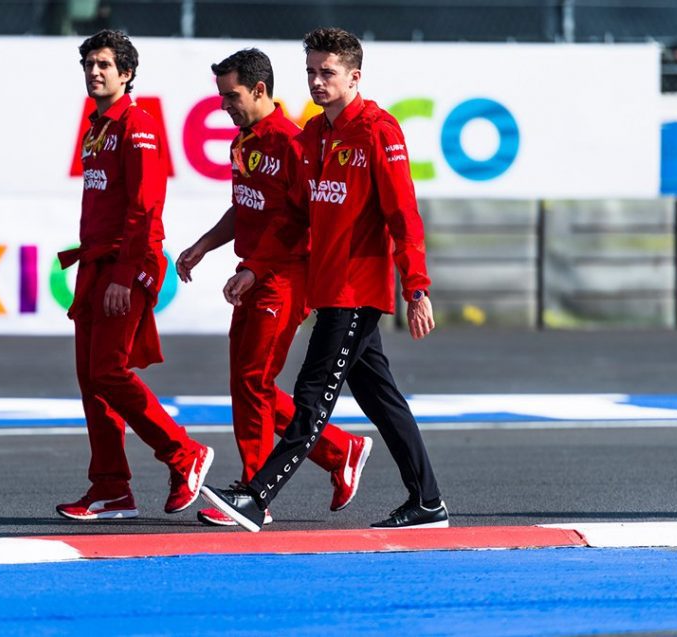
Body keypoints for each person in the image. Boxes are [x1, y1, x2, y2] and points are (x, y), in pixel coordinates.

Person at [200, 27, 448, 532]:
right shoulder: (312, 135)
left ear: (354, 76)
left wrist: (416, 288)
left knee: (311, 397)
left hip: (358, 293)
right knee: (382, 399)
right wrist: (254, 267)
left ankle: (256, 495)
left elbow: (404, 215)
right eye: (310, 71)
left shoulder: (380, 131)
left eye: (327, 72)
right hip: (327, 288)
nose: (316, 81)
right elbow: (291, 217)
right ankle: (428, 502)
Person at [176, 48, 373, 527]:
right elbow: (244, 208)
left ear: (260, 90)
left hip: (285, 276)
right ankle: (339, 449)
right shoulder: (242, 142)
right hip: (255, 271)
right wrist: (204, 245)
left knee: (254, 380)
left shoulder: (290, 143)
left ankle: (253, 493)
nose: (225, 105)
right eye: (221, 95)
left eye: (232, 95)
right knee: (246, 382)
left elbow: (310, 222)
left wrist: (257, 269)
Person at [55, 30, 213, 521]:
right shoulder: (97, 126)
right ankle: (110, 489)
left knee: (109, 371)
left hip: (127, 265)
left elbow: (146, 208)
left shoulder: (137, 125)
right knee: (90, 378)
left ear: (126, 73)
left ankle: (183, 453)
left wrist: (125, 274)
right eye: (89, 64)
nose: (94, 72)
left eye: (104, 64)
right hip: (96, 266)